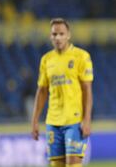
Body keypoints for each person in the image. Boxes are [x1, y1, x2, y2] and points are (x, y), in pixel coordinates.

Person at [31, 18, 94, 167]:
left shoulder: (81, 56)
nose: (58, 37)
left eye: (61, 34)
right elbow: (42, 91)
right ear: (50, 36)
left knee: (73, 163)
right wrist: (34, 121)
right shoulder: (46, 60)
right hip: (53, 122)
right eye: (54, 34)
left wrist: (87, 119)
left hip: (74, 121)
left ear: (68, 35)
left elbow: (87, 90)